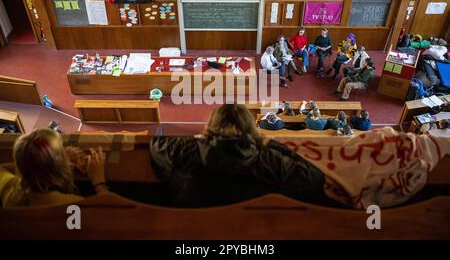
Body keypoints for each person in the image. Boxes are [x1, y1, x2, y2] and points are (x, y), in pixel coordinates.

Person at [150, 104, 327, 207]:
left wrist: (199, 140)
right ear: (250, 129)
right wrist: (268, 143)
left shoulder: (184, 149)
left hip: (191, 229)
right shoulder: (268, 159)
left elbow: (155, 143)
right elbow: (315, 178)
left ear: (212, 125)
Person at [0, 128, 107, 208]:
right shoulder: (73, 204)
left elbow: (2, 167)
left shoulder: (11, 191)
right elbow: (112, 215)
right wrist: (99, 181)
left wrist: (52, 161)